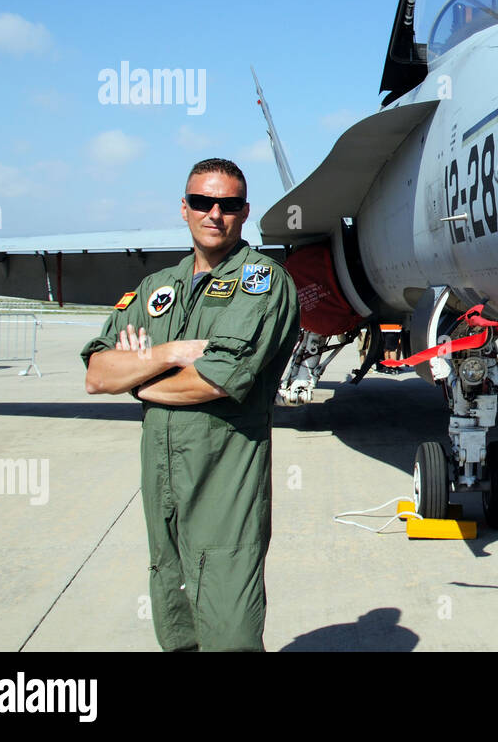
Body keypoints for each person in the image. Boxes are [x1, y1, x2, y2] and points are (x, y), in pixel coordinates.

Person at [81, 158, 299, 651]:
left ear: (245, 213)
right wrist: (170, 353)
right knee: (175, 617)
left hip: (224, 483)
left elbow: (215, 380)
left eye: (228, 204)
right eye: (202, 202)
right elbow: (97, 374)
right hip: (162, 481)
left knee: (229, 627)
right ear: (184, 208)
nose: (214, 214)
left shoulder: (261, 283)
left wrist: (137, 379)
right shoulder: (158, 288)